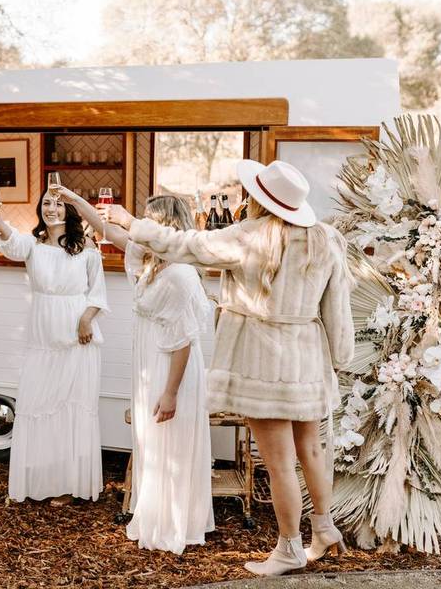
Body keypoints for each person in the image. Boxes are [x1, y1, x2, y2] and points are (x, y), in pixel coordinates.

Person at [101, 160, 354, 576]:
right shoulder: (326, 239)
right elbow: (338, 311)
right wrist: (339, 362)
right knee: (310, 449)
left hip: (261, 361)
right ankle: (324, 529)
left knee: (278, 461)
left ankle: (289, 549)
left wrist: (135, 224)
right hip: (307, 357)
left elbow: (186, 245)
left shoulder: (249, 237)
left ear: (258, 200)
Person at [59, 187, 215, 553]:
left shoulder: (179, 275)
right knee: (151, 442)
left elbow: (183, 342)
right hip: (151, 363)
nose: (139, 225)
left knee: (169, 443)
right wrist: (75, 201)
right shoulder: (148, 259)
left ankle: (173, 522)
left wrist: (171, 392)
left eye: (147, 219)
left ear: (163, 227)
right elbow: (109, 229)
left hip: (171, 369)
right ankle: (155, 513)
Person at [0, 189, 108, 506]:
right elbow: (11, 243)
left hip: (77, 338)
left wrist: (86, 320)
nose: (52, 209)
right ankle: (40, 479)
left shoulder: (85, 246)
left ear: (69, 209)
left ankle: (69, 484)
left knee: (70, 407)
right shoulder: (33, 243)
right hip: (41, 339)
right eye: (47, 203)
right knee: (37, 405)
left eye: (58, 204)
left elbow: (98, 292)